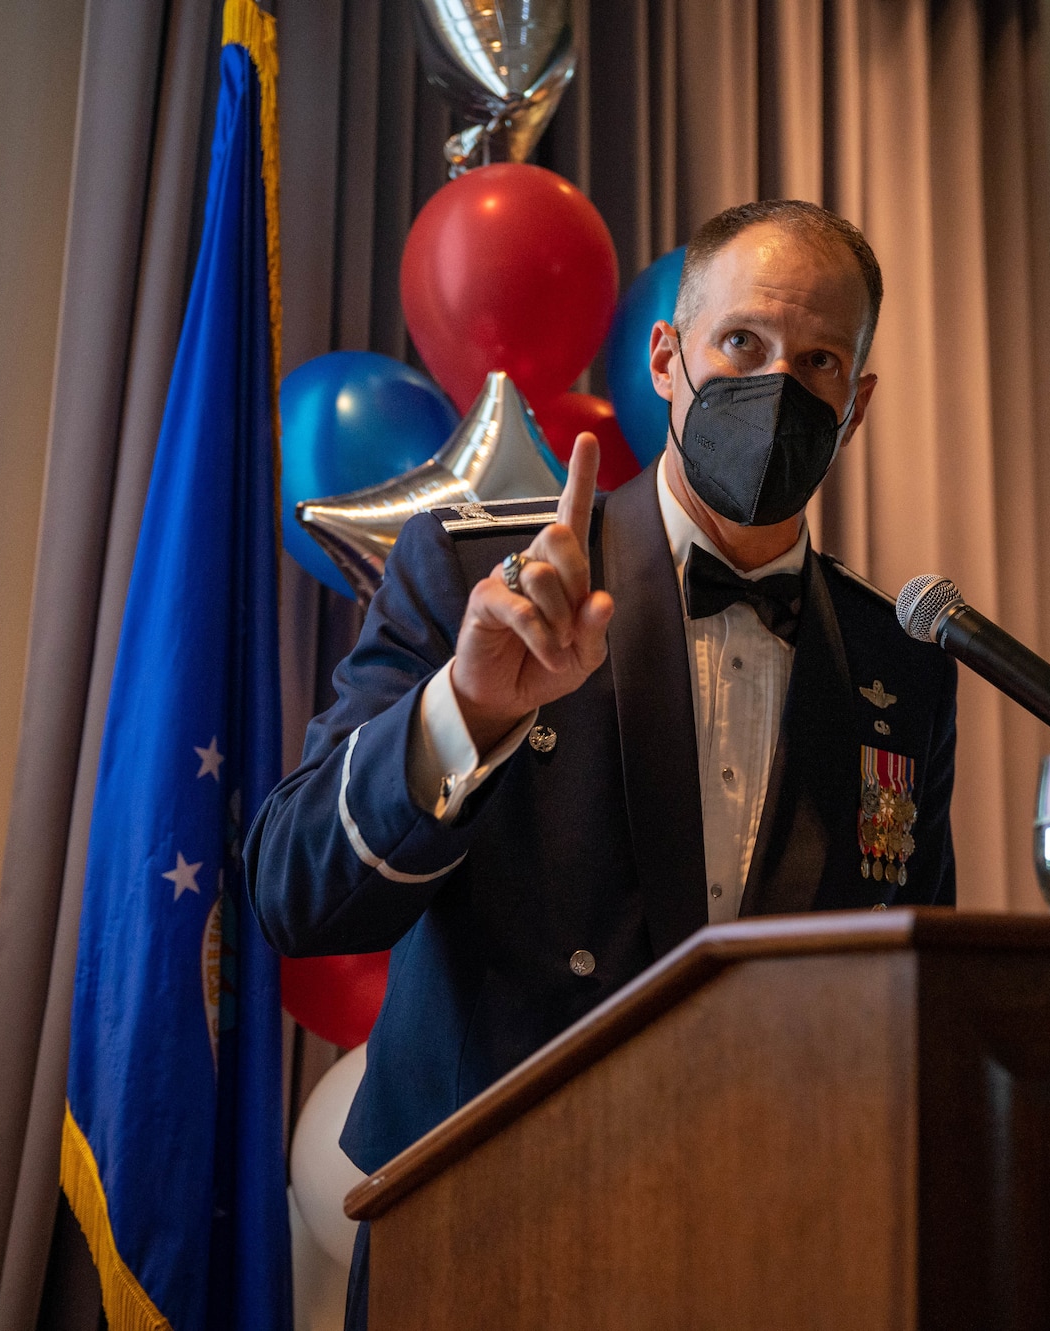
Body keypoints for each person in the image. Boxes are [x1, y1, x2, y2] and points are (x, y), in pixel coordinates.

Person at [244, 199, 959, 1324]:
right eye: (743, 343)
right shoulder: (481, 574)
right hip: (494, 1234)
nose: (778, 382)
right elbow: (293, 891)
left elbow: (909, 986)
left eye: (818, 359)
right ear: (667, 358)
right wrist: (467, 707)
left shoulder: (899, 662)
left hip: (771, 1245)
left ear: (854, 403)